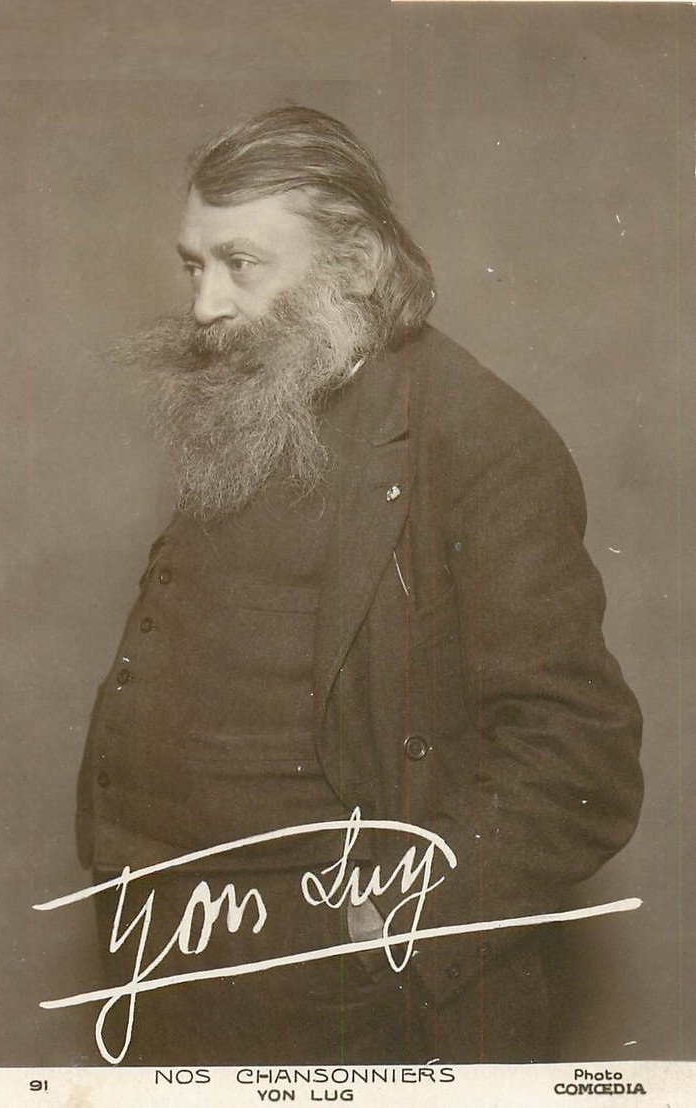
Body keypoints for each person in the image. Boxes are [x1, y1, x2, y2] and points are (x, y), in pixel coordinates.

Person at [75, 105, 643, 1066]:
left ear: (358, 265)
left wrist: (385, 923)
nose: (206, 305)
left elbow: (577, 756)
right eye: (194, 266)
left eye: (240, 264)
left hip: (346, 997)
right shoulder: (261, 403)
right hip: (173, 964)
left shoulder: (479, 439)